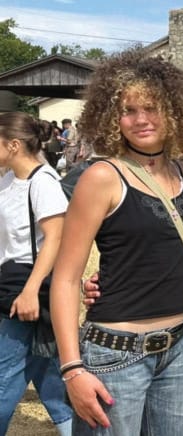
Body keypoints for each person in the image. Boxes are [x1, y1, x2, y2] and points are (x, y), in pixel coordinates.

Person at [49, 48, 183, 434]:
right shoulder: (102, 177)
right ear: (109, 117)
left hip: (182, 347)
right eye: (128, 110)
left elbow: (179, 253)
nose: (141, 120)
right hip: (116, 354)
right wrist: (72, 370)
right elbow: (66, 278)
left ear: (174, 111)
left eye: (151, 108)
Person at [0, 112, 73, 436]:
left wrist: (30, 291)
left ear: (13, 145)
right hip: (11, 282)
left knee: (5, 377)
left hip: (26, 288)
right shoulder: (6, 178)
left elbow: (55, 239)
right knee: (50, 378)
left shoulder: (43, 182)